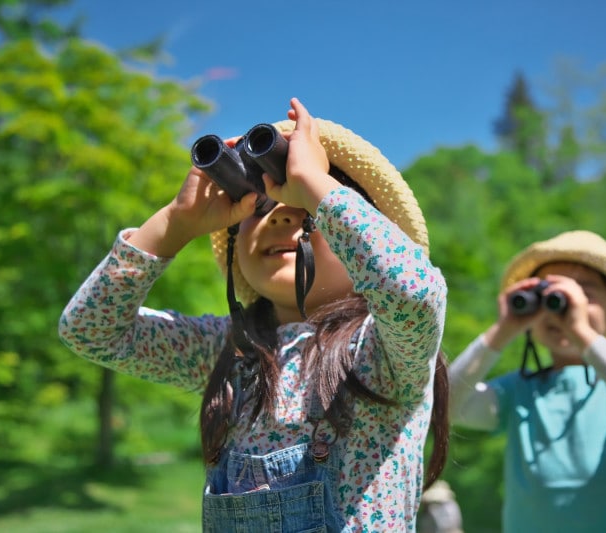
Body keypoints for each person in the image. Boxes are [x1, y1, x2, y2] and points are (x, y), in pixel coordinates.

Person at [59, 97, 449, 532]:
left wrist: (317, 184)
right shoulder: (229, 349)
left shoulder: (385, 347)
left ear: (358, 233)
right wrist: (177, 222)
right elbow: (90, 329)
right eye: (258, 207)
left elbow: (414, 292)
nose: (280, 216)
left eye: (308, 210)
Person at [448, 230, 606, 532]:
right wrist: (501, 331)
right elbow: (446, 406)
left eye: (586, 295)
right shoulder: (519, 390)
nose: (569, 308)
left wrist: (583, 333)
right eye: (551, 298)